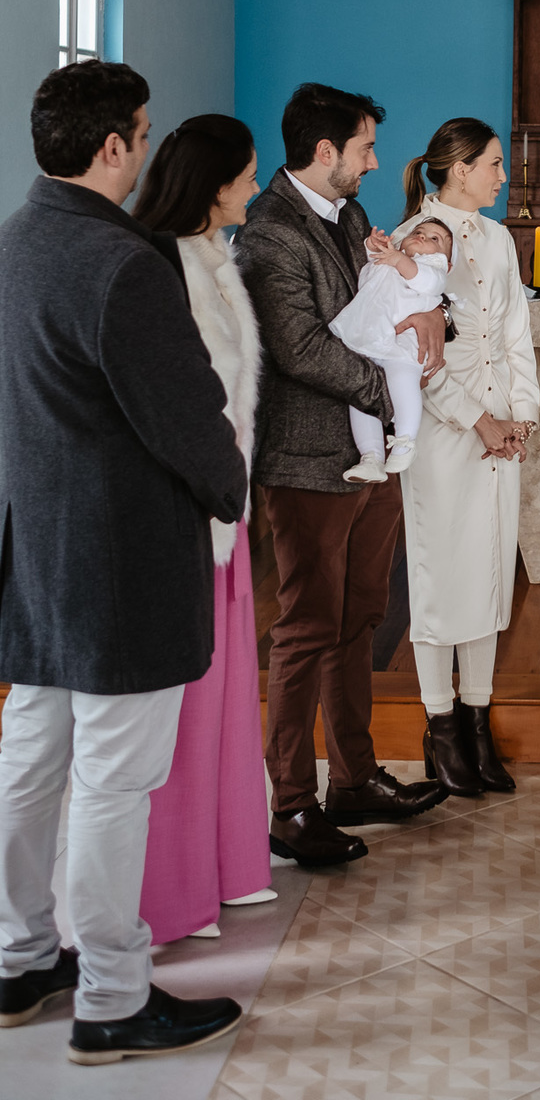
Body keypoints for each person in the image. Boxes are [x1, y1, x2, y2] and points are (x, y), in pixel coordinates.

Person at [0, 62, 245, 1063]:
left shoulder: (16, 242)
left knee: (31, 759)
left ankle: (17, 960)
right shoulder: (124, 264)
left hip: (37, 548)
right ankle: (111, 993)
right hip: (120, 560)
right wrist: (230, 483)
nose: (144, 148)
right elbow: (188, 416)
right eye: (140, 134)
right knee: (111, 778)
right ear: (113, 147)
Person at [236, 83, 446, 868]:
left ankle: (353, 777)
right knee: (304, 627)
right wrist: (391, 390)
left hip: (368, 454)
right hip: (309, 461)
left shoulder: (351, 216)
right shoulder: (272, 234)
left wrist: (432, 319)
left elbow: (394, 295)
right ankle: (289, 803)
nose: (374, 161)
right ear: (325, 153)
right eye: (364, 148)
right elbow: (298, 350)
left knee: (360, 615)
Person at [132, 114, 274, 944]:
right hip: (189, 516)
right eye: (246, 174)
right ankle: (171, 886)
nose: (253, 187)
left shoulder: (215, 257)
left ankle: (226, 863)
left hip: (229, 510)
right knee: (181, 710)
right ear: (212, 182)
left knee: (223, 696)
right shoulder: (159, 265)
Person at [400, 120, 540, 795]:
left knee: (489, 570)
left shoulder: (500, 238)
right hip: (445, 428)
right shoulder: (419, 239)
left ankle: (480, 719)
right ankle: (441, 725)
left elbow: (516, 327)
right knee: (442, 573)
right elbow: (415, 354)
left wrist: (521, 414)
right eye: (492, 164)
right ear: (457, 169)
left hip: (498, 429)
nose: (501, 175)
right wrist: (477, 418)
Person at [330, 215, 455, 482]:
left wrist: (401, 260)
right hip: (368, 339)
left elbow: (429, 283)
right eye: (418, 232)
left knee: (403, 384)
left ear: (447, 261)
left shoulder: (431, 267)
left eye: (435, 239)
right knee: (361, 396)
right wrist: (371, 245)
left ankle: (405, 442)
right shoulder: (391, 257)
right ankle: (371, 456)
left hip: (403, 345)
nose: (423, 236)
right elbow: (365, 267)